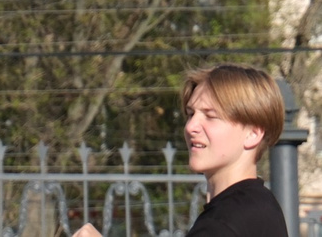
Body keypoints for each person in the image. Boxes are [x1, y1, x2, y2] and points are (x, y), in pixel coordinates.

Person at [76, 67, 284, 237]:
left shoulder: (223, 224)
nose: (191, 126)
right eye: (191, 114)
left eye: (210, 116)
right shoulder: (261, 205)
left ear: (253, 134)